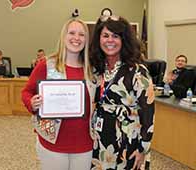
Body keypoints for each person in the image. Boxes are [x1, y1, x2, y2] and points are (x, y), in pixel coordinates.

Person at [22, 18, 97, 170]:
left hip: (85, 142)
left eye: (82, 35)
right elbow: (27, 92)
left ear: (86, 40)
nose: (76, 38)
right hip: (52, 141)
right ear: (64, 36)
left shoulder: (93, 69)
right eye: (72, 33)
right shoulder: (47, 64)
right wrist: (32, 102)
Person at [90, 15, 155, 170]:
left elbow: (148, 113)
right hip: (100, 138)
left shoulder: (138, 71)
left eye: (115, 36)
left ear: (124, 40)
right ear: (99, 39)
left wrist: (143, 149)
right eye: (105, 35)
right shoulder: (97, 69)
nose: (109, 40)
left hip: (128, 140)